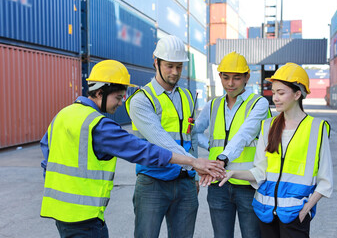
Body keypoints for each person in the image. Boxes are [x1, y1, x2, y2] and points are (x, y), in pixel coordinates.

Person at [39, 60, 224, 238]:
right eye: (118, 97)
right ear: (100, 92)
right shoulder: (98, 126)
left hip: (60, 212)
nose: (120, 103)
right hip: (84, 215)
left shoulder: (63, 114)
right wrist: (192, 161)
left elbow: (46, 152)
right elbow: (143, 151)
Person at [215, 63, 333, 238]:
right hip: (265, 213)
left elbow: (326, 179)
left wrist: (306, 208)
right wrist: (232, 173)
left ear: (297, 94)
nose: (275, 98)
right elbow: (261, 171)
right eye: (274, 92)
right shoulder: (268, 126)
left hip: (295, 215)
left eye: (281, 93)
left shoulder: (317, 128)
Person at [125, 35, 206, 238]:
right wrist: (194, 163)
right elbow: (160, 139)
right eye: (170, 66)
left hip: (185, 182)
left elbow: (192, 136)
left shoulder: (187, 96)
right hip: (153, 181)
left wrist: (194, 176)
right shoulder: (142, 99)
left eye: (179, 66)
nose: (175, 72)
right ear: (156, 62)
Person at [195, 51, 271, 238]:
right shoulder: (213, 105)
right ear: (219, 76)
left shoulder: (258, 104)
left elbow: (245, 134)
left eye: (236, 78)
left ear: (247, 77)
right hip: (218, 183)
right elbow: (195, 132)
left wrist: (222, 157)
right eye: (226, 77)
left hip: (249, 185)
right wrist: (211, 148)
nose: (230, 83)